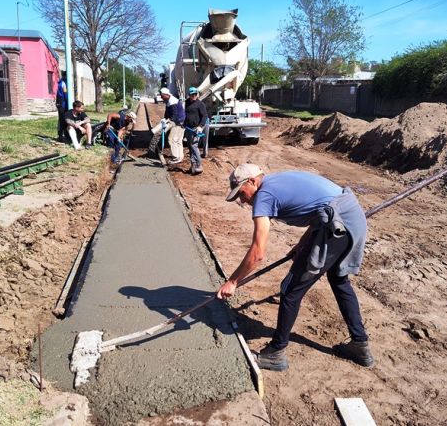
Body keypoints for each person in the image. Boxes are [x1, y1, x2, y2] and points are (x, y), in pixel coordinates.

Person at [217, 163, 374, 371]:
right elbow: (319, 206)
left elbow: (257, 253)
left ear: (253, 181)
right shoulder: (277, 181)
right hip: (351, 217)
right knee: (339, 280)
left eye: (242, 193)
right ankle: (360, 345)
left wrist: (233, 281)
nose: (242, 200)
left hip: (335, 225)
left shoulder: (264, 196)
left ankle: (275, 353)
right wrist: (302, 244)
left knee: (290, 290)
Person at [147, 87, 185, 162]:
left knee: (171, 139)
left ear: (166, 94)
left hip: (179, 122)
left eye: (162, 96)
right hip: (177, 121)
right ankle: (180, 157)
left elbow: (174, 115)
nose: (161, 97)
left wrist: (168, 122)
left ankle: (176, 157)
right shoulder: (168, 100)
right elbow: (167, 113)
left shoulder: (172, 101)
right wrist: (165, 119)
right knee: (178, 140)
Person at [183, 86, 207, 175]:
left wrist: (200, 127)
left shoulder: (200, 104)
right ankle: (193, 165)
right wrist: (184, 123)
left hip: (196, 129)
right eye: (191, 95)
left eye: (195, 94)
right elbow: (185, 114)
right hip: (188, 128)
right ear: (189, 95)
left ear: (197, 94)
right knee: (190, 146)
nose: (193, 96)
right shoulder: (187, 103)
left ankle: (199, 165)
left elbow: (204, 116)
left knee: (194, 146)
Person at [55, 71, 68, 142]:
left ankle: (60, 134)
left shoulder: (60, 82)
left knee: (60, 119)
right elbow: (65, 94)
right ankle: (62, 135)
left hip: (59, 102)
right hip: (63, 103)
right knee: (63, 119)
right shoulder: (64, 83)